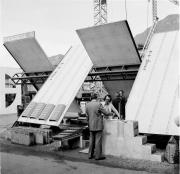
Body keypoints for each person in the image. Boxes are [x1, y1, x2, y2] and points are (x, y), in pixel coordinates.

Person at [86, 93, 112, 160]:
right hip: (98, 125)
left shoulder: (87, 105)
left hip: (91, 125)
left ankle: (90, 155)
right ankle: (98, 156)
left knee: (91, 140)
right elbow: (106, 113)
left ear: (91, 98)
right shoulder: (98, 104)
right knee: (98, 141)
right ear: (96, 98)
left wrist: (88, 124)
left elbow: (87, 116)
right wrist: (111, 113)